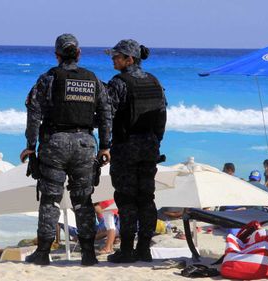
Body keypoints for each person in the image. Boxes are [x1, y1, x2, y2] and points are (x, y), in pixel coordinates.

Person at [20, 33, 111, 266]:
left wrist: (30, 146)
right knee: (83, 199)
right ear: (79, 53)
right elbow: (106, 112)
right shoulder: (93, 80)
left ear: (57, 55)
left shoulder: (48, 78)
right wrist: (105, 146)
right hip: (84, 144)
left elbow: (34, 112)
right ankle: (89, 254)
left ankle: (42, 252)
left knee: (50, 199)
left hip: (55, 143)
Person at [105, 39, 167, 263]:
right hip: (150, 147)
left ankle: (128, 249)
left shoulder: (119, 82)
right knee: (147, 198)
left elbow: (106, 114)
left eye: (117, 57)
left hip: (126, 147)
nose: (113, 60)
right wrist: (155, 140)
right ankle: (144, 248)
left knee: (126, 198)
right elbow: (162, 115)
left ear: (129, 59)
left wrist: (105, 141)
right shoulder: (154, 81)